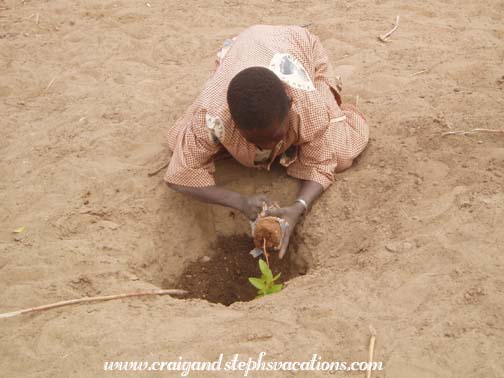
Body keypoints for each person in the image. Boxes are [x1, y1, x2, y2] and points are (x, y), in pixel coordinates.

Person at [164, 25, 369, 259]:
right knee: (181, 143)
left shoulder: (305, 104)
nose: (269, 147)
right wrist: (240, 201)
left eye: (276, 137)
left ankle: (341, 115)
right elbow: (179, 175)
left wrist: (298, 207)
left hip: (298, 47)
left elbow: (321, 164)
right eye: (255, 140)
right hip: (242, 51)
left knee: (340, 154)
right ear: (235, 123)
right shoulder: (214, 116)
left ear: (290, 106)